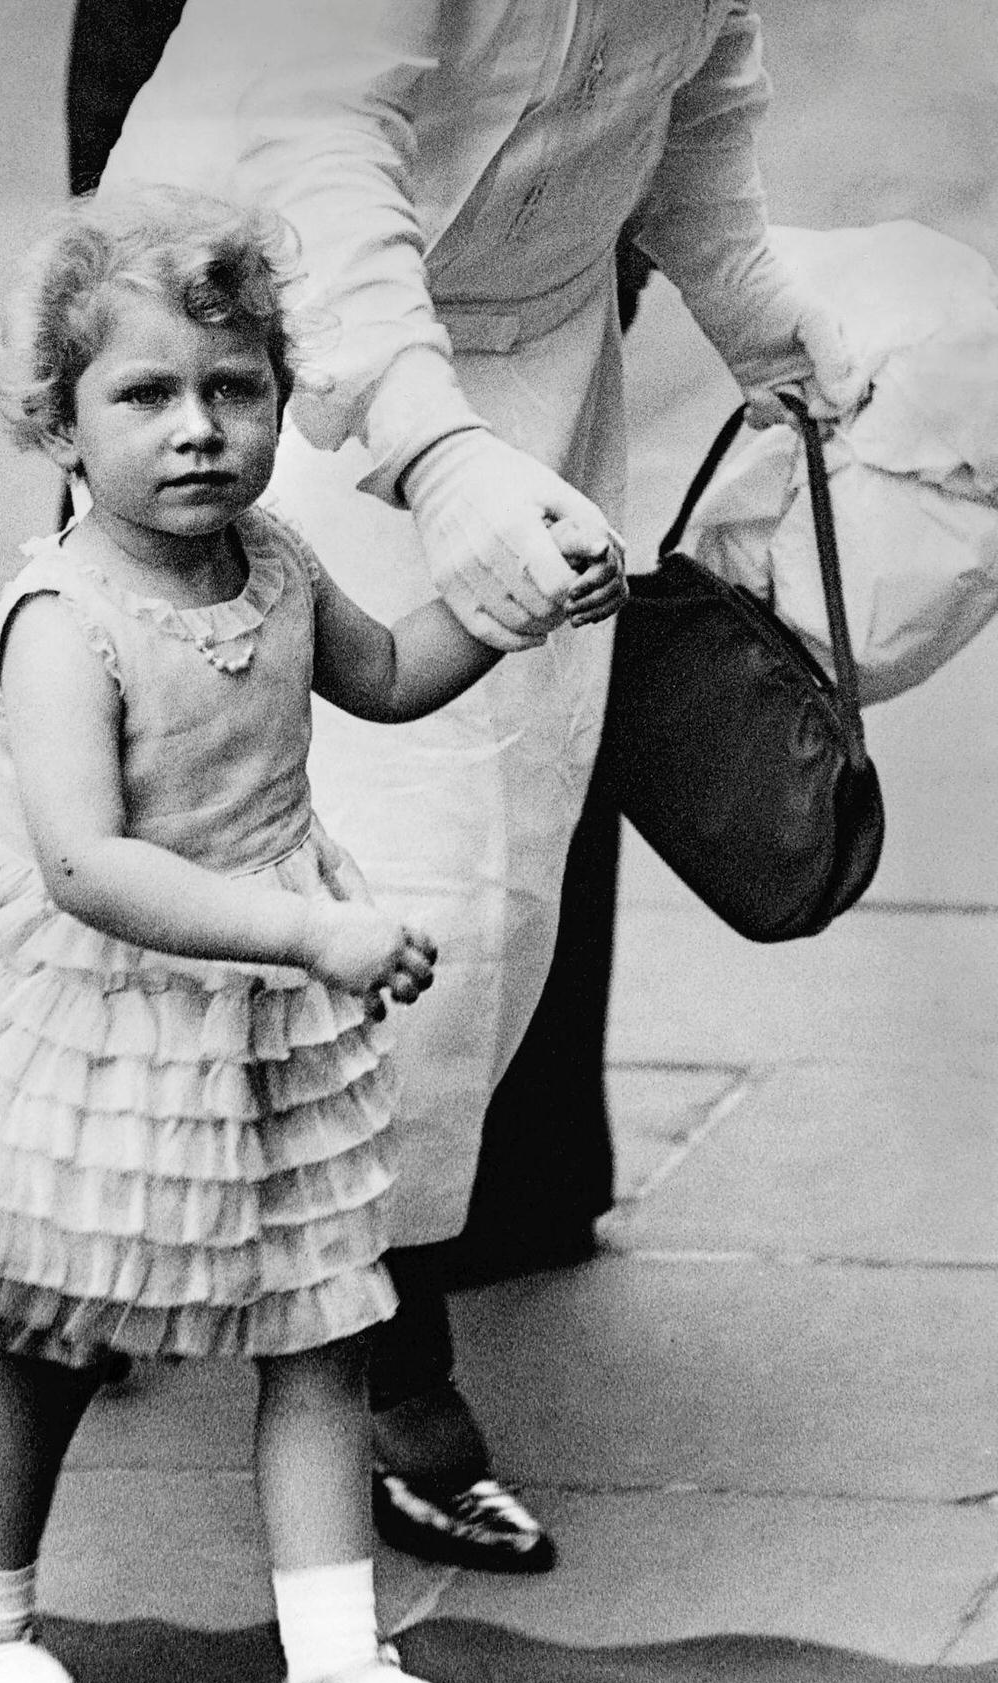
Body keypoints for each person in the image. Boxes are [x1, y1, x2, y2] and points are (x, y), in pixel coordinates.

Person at [0, 187, 625, 1683]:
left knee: (322, 1316)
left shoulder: (276, 563)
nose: (200, 430)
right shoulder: (61, 618)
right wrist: (309, 933)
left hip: (259, 1015)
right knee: (59, 1338)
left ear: (283, 404)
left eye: (235, 390)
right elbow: (89, 861)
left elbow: (392, 672)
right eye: (145, 395)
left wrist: (516, 603)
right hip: (103, 1019)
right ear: (63, 428)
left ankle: (338, 1667)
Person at [95, 0, 867, 1572]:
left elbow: (697, 92)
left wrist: (752, 303)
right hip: (256, 340)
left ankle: (341, 1283)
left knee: (492, 872)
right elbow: (320, 137)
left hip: (527, 345)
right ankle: (286, 1305)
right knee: (242, 830)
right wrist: (434, 455)